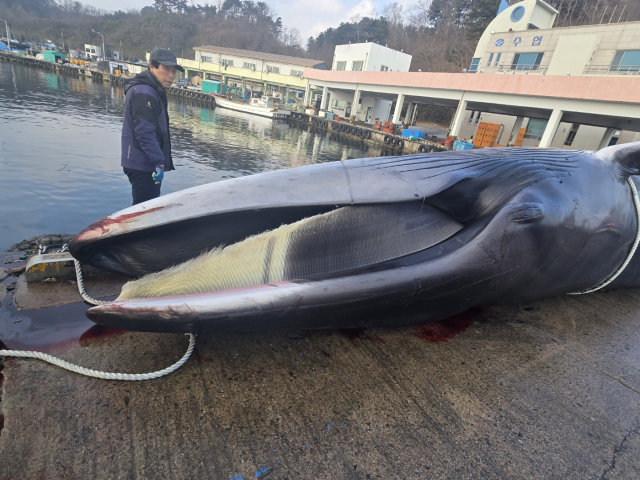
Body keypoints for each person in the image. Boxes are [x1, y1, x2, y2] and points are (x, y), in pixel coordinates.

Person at [121, 48, 183, 205]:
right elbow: (144, 132)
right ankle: (137, 231)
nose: (170, 75)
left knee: (147, 206)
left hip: (146, 163)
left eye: (174, 71)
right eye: (166, 69)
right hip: (143, 164)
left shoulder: (153, 90)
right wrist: (158, 162)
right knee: (144, 210)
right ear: (151, 66)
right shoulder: (144, 91)